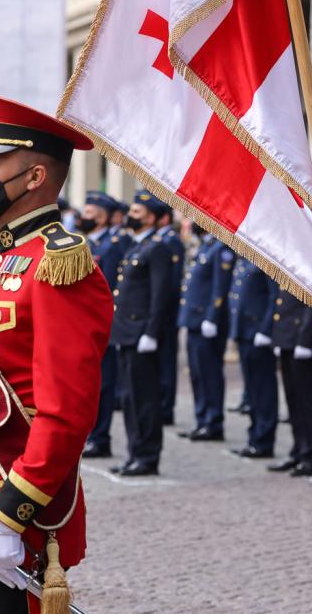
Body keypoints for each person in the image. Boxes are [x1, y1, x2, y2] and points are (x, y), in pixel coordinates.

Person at [0, 95, 111, 613]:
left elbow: (66, 411)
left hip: (15, 500)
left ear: (34, 177)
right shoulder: (2, 254)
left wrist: (11, 512)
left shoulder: (58, 263)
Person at [108, 190, 173, 476]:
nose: (130, 216)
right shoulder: (136, 246)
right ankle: (134, 453)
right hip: (126, 332)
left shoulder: (156, 248)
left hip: (140, 333)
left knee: (144, 399)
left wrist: (151, 332)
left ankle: (147, 456)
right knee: (129, 397)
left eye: (136, 212)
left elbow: (160, 295)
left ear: (150, 218)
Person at [81, 190, 129, 458]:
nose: (84, 217)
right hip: (87, 325)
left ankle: (100, 438)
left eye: (90, 213)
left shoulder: (113, 244)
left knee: (104, 384)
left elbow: (110, 289)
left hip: (104, 325)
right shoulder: (91, 243)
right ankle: (91, 434)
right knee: (89, 384)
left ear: (101, 217)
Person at [177, 223, 233, 441]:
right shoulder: (206, 246)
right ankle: (202, 420)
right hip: (195, 320)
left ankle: (213, 421)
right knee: (198, 374)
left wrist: (212, 317)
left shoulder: (221, 247)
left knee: (209, 373)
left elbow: (221, 287)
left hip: (207, 323)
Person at [268, 290, 312, 476]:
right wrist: (278, 337)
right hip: (287, 337)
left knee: (306, 400)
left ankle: (311, 456)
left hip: (302, 338)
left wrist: (306, 340)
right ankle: (298, 450)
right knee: (292, 399)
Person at [228, 256, 280, 459]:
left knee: (263, 390)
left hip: (258, 333)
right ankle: (254, 438)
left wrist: (266, 330)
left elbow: (274, 296)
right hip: (245, 332)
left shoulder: (265, 257)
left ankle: (263, 440)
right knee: (252, 391)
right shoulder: (245, 258)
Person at [156, 208, 185, 425]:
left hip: (167, 312)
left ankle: (166, 408)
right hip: (163, 313)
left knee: (166, 362)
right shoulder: (162, 239)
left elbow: (172, 281)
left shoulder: (172, 240)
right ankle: (162, 404)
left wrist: (164, 310)